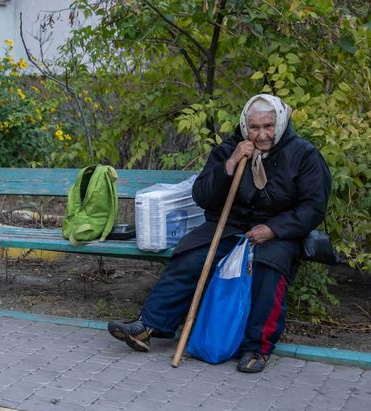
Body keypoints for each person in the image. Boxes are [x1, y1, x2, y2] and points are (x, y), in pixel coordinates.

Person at [108, 94, 331, 373]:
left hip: (280, 230)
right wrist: (232, 162)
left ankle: (257, 348)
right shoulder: (229, 149)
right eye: (254, 127)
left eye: (268, 126)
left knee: (268, 267)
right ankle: (149, 325)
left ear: (281, 123)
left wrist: (274, 229)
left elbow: (313, 206)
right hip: (231, 225)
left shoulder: (304, 155)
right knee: (191, 256)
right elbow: (202, 195)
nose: (261, 134)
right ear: (244, 126)